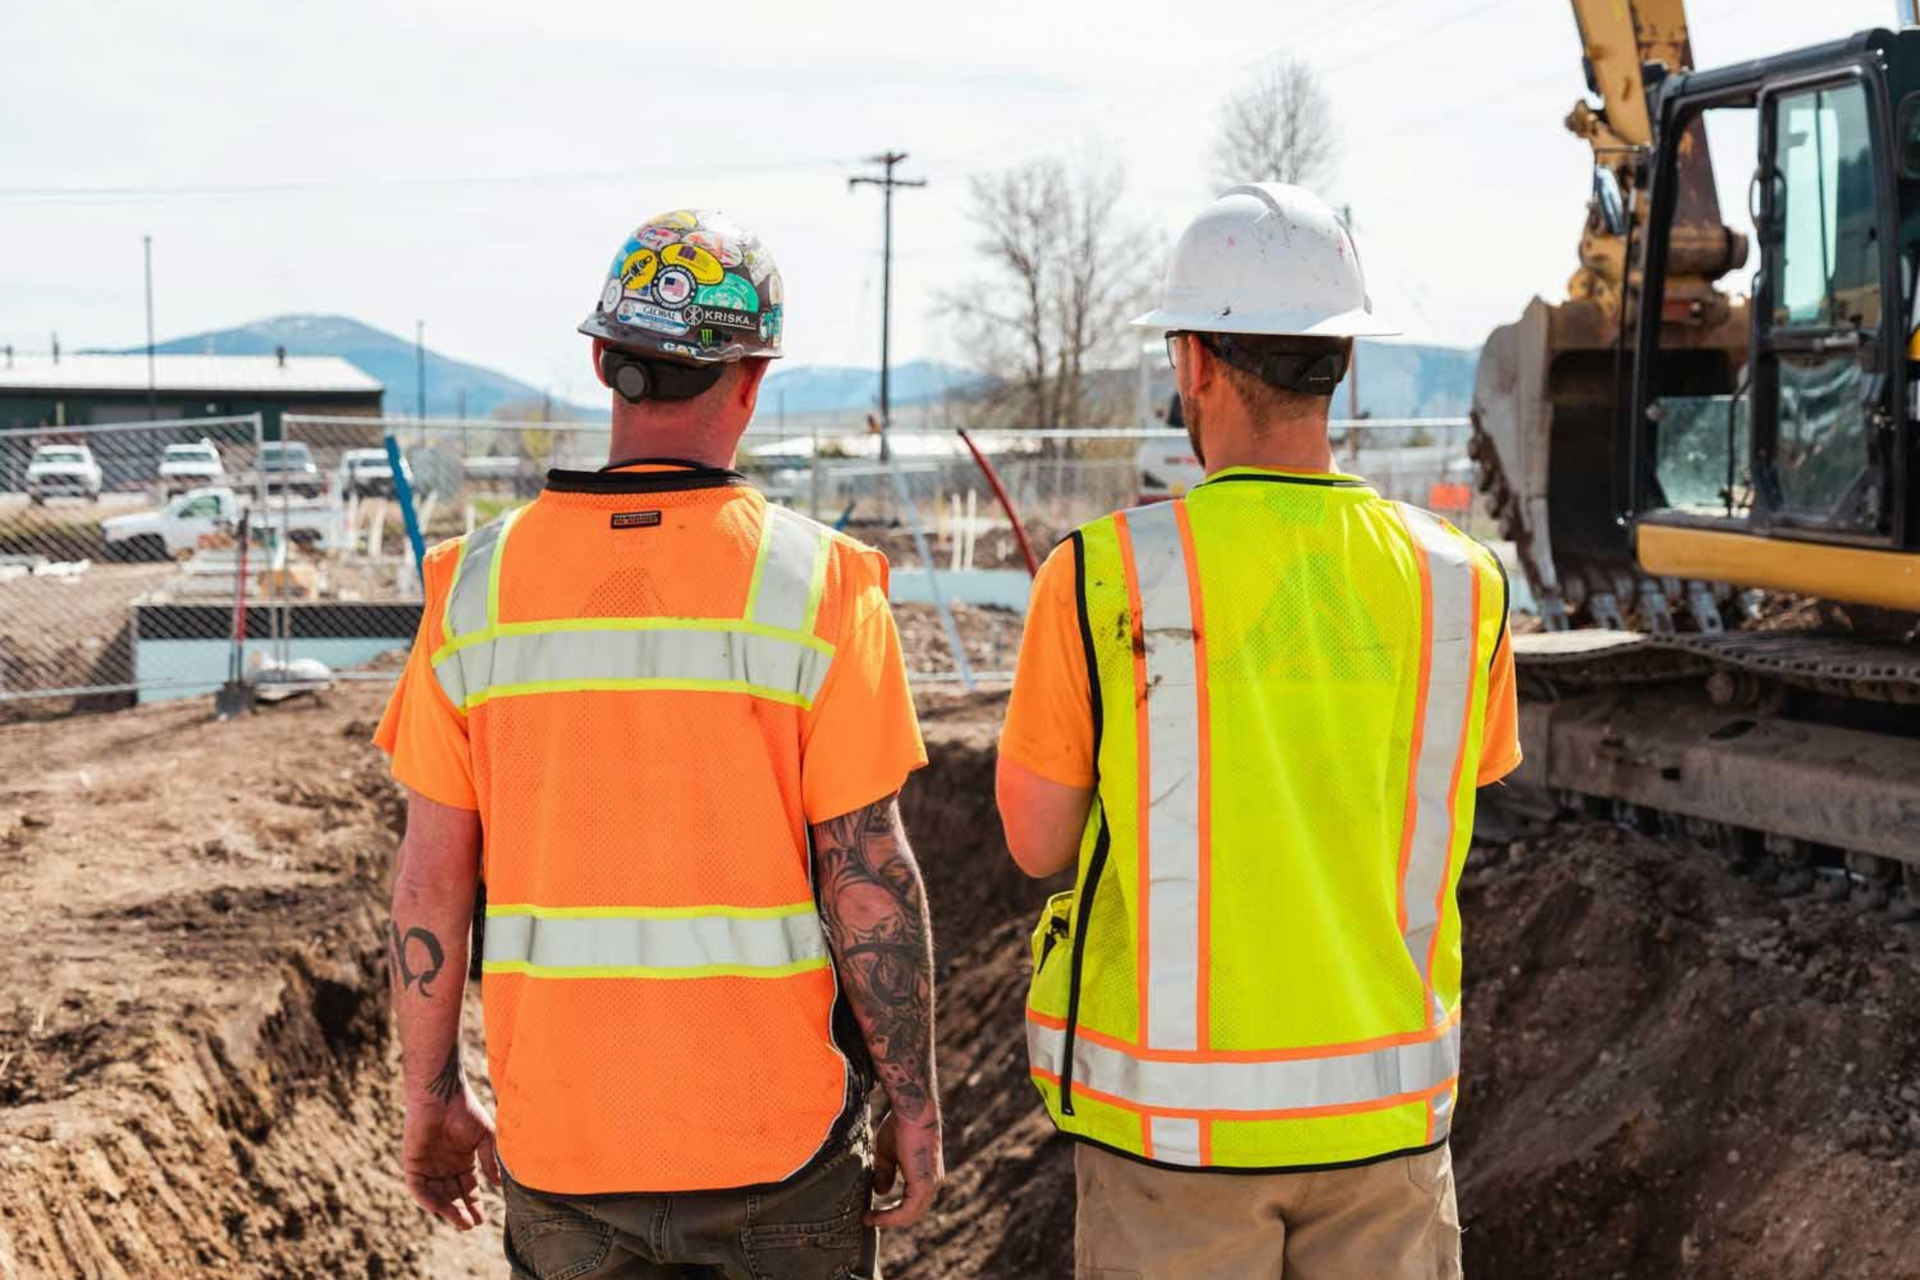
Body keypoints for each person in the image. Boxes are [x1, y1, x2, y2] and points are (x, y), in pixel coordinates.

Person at [374, 208, 943, 1280]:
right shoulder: (822, 584)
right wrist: (914, 1107)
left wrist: (432, 1094)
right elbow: (870, 877)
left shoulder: (474, 587)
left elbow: (429, 876)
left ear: (602, 360)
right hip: (783, 1148)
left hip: (566, 1151)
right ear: (754, 374)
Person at [996, 183, 1521, 1280]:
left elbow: (1039, 841)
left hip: (1173, 1144)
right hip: (1387, 1128)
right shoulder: (1459, 582)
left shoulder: (1102, 573)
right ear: (1343, 359)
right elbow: (1454, 788)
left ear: (1192, 361)